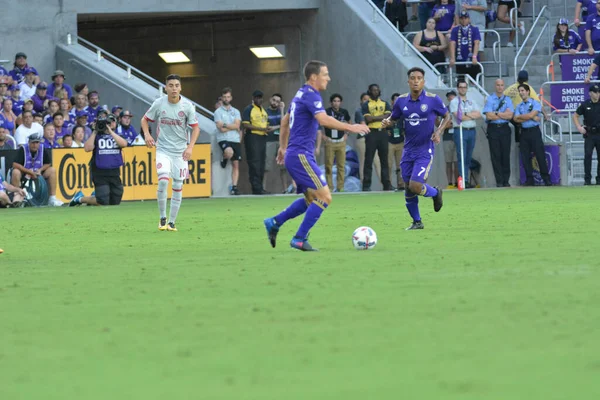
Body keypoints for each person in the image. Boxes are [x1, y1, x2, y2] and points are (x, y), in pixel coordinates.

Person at [263, 60, 370, 251]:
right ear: (314, 77)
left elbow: (285, 121)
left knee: (311, 199)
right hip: (301, 156)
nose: (328, 78)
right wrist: (351, 127)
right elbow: (323, 119)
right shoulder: (312, 95)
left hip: (296, 155)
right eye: (325, 74)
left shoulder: (300, 94)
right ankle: (299, 238)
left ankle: (274, 222)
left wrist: (282, 147)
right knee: (325, 197)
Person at [381, 67, 450, 230]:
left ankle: (435, 193)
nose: (416, 81)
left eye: (419, 78)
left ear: (424, 82)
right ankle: (417, 222)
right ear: (408, 81)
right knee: (408, 186)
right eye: (413, 78)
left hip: (425, 150)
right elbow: (393, 119)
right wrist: (387, 122)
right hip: (408, 150)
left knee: (415, 185)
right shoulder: (401, 101)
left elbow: (447, 116)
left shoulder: (433, 100)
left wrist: (438, 131)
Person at [141, 74, 200, 231]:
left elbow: (196, 128)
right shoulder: (159, 103)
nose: (174, 88)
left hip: (180, 152)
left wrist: (190, 147)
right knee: (163, 180)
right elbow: (144, 119)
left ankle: (172, 222)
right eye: (171, 85)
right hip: (163, 150)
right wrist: (147, 135)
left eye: (176, 85)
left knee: (178, 184)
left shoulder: (187, 106)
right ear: (165, 88)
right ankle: (162, 217)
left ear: (180, 87)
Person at [70, 115, 132, 206]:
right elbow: (87, 148)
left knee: (115, 202)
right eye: (108, 122)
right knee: (103, 201)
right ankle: (80, 199)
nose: (110, 124)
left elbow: (124, 144)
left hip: (114, 172)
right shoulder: (96, 136)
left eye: (112, 121)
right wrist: (95, 131)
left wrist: (110, 131)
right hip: (99, 172)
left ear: (116, 123)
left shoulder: (118, 136)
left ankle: (94, 196)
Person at [513, 84, 552, 186]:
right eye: (520, 91)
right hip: (524, 132)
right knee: (525, 157)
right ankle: (529, 180)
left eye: (523, 91)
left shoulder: (535, 103)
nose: (521, 93)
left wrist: (523, 117)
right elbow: (515, 119)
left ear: (527, 92)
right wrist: (530, 117)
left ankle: (546, 178)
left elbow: (527, 115)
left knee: (540, 155)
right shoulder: (519, 106)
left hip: (534, 132)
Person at [11, 132, 63, 206]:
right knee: (15, 172)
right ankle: (17, 197)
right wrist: (29, 172)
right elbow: (15, 164)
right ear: (29, 142)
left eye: (37, 143)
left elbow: (48, 163)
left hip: (38, 173)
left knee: (52, 170)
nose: (35, 145)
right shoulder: (23, 149)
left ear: (39, 143)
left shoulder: (42, 149)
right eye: (33, 143)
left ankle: (52, 198)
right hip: (25, 174)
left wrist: (40, 170)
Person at [449, 79, 482, 188]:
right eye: (461, 87)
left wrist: (466, 114)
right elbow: (459, 117)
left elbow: (478, 114)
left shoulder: (471, 101)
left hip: (471, 131)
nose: (463, 89)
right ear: (458, 89)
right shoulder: (454, 102)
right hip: (460, 130)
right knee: (461, 155)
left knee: (468, 156)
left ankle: (466, 179)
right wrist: (469, 115)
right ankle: (463, 180)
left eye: (465, 87)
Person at [362, 83, 393, 191]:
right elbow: (368, 119)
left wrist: (374, 117)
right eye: (373, 90)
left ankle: (386, 184)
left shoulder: (384, 103)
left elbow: (388, 116)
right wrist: (381, 117)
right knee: (368, 159)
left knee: (384, 160)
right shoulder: (366, 104)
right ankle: (366, 185)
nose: (375, 92)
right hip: (371, 133)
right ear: (369, 91)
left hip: (383, 133)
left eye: (377, 90)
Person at [483, 79, 514, 187]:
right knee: (495, 155)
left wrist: (496, 113)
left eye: (502, 85)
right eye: (498, 85)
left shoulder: (508, 99)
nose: (500, 87)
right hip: (493, 129)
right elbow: (488, 115)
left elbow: (510, 116)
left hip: (505, 128)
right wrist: (502, 114)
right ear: (495, 86)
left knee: (506, 155)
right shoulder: (490, 99)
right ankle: (499, 181)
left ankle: (506, 180)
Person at [214, 87, 242, 195]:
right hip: (224, 138)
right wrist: (233, 126)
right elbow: (221, 129)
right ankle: (224, 157)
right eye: (224, 97)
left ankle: (234, 187)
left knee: (236, 164)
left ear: (231, 98)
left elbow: (238, 125)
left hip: (235, 139)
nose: (226, 99)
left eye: (228, 97)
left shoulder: (236, 111)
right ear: (222, 98)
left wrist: (226, 125)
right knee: (229, 152)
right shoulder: (218, 112)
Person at [322, 93, 351, 192]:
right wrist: (322, 135)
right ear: (331, 102)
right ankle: (330, 187)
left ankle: (340, 187)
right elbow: (318, 123)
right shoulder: (326, 112)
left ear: (341, 102)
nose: (336, 103)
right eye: (334, 101)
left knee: (341, 165)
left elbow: (349, 122)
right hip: (330, 141)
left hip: (341, 141)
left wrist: (347, 134)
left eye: (338, 101)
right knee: (328, 165)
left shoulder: (344, 112)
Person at [242, 90, 270, 194]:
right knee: (254, 163)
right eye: (257, 97)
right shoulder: (249, 109)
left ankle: (260, 187)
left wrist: (267, 128)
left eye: (261, 97)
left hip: (262, 138)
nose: (259, 99)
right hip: (252, 137)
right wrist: (261, 129)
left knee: (262, 163)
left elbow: (265, 124)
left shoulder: (263, 110)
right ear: (253, 98)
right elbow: (245, 124)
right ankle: (256, 188)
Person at [573, 84, 600, 184]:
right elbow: (575, 116)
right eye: (595, 92)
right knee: (587, 156)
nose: (597, 95)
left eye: (598, 92)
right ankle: (587, 180)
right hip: (589, 134)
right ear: (590, 93)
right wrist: (579, 127)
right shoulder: (585, 104)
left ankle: (599, 180)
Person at [354, 92, 381, 182]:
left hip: (373, 137)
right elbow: (364, 124)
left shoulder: (373, 110)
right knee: (364, 161)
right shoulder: (359, 111)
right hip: (363, 139)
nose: (366, 101)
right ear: (361, 101)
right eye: (364, 99)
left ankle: (384, 184)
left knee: (377, 161)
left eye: (368, 99)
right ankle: (364, 184)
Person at [264, 93, 286, 193]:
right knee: (267, 166)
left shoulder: (280, 111)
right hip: (269, 140)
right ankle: (263, 188)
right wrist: (278, 126)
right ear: (270, 99)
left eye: (278, 101)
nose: (275, 103)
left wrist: (282, 110)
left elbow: (284, 124)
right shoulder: (265, 111)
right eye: (274, 100)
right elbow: (267, 127)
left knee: (283, 167)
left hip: (280, 141)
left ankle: (285, 189)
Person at [449, 11, 482, 80]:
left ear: (469, 19)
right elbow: (452, 43)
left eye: (465, 18)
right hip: (460, 59)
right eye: (462, 18)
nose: (464, 20)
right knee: (461, 81)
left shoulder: (475, 29)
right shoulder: (455, 30)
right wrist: (452, 57)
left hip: (472, 60)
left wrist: (474, 56)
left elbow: (477, 43)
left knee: (475, 80)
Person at [388, 93, 405, 191]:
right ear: (392, 101)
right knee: (389, 164)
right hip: (390, 142)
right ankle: (389, 184)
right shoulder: (388, 112)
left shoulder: (404, 112)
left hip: (400, 141)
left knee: (401, 164)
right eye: (395, 99)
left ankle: (401, 184)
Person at [443, 90, 458, 188]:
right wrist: (450, 124)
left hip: (457, 136)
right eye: (449, 97)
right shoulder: (444, 110)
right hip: (447, 137)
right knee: (448, 161)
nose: (451, 98)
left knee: (456, 161)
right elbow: (442, 124)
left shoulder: (458, 108)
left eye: (453, 97)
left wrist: (452, 124)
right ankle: (449, 183)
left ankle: (457, 182)